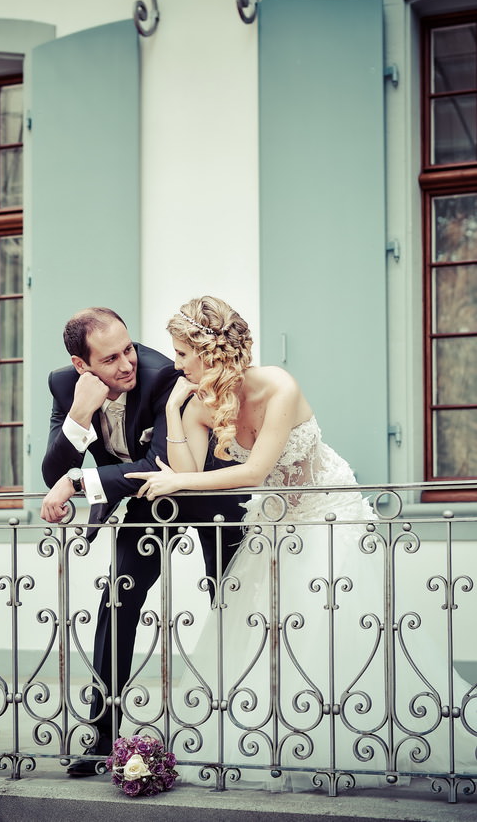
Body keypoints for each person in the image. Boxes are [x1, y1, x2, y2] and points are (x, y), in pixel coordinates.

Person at [126, 296, 477, 791]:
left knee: (332, 621)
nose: (176, 363)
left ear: (208, 351)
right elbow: (188, 474)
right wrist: (171, 410)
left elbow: (251, 471)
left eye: (182, 352)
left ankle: (353, 736)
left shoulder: (278, 386)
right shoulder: (200, 404)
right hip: (276, 517)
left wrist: (180, 484)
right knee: (266, 626)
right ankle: (281, 737)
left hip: (327, 509)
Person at [40, 307, 245, 775]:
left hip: (208, 491)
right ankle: (102, 734)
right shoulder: (64, 386)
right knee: (118, 601)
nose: (127, 363)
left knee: (231, 601)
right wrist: (79, 413)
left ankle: (244, 727)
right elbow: (53, 472)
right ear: (82, 365)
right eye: (110, 359)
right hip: (149, 504)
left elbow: (158, 464)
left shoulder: (161, 375)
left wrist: (77, 482)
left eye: (128, 349)